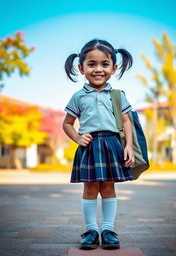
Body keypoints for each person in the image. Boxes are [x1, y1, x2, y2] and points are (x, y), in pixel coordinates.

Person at [62, 39, 135, 250]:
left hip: (112, 145)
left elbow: (126, 121)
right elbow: (67, 123)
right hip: (90, 146)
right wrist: (77, 137)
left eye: (104, 64)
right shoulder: (78, 97)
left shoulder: (118, 95)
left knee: (109, 187)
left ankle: (108, 230)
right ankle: (91, 230)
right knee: (90, 188)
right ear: (81, 68)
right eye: (91, 64)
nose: (98, 69)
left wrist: (128, 145)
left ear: (114, 68)